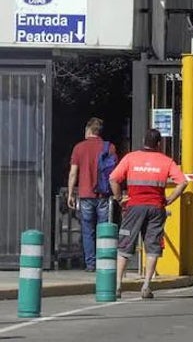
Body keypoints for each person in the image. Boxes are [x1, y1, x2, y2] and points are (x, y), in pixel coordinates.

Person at [109, 128, 186, 299]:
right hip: (156, 208)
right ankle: (146, 286)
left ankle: (118, 285)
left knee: (125, 244)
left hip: (134, 207)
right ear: (159, 144)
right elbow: (182, 182)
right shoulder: (166, 161)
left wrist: (119, 198)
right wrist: (170, 199)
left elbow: (113, 179)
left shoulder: (131, 158)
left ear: (144, 141)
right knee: (152, 246)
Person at [66, 117, 117, 272]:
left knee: (87, 230)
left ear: (88, 130)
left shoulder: (79, 148)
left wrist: (70, 193)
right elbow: (114, 174)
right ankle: (104, 261)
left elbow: (73, 173)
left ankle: (90, 264)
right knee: (103, 229)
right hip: (103, 194)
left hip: (85, 194)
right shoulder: (109, 147)